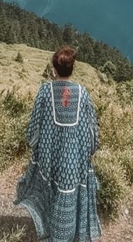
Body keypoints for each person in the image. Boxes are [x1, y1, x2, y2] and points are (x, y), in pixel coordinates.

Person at [15, 46, 103, 241]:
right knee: (70, 193)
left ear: (54, 69)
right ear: (72, 69)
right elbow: (91, 128)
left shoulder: (45, 91)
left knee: (51, 192)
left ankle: (51, 232)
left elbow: (34, 128)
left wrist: (35, 145)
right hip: (75, 161)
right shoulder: (82, 92)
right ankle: (72, 234)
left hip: (50, 158)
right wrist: (91, 149)